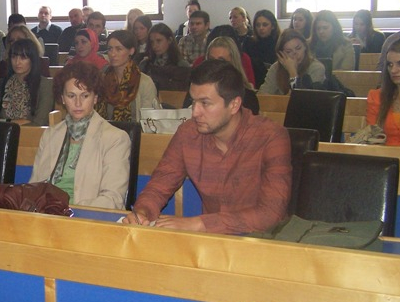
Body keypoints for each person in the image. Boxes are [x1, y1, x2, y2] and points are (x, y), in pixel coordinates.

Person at [123, 59, 291, 234]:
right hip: (212, 240)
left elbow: (271, 213)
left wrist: (199, 224)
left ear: (234, 105)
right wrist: (142, 212)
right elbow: (159, 186)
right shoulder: (188, 133)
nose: (195, 112)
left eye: (205, 103)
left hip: (265, 240)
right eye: (193, 102)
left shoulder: (271, 137)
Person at [30, 61, 130, 210]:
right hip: (47, 213)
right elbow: (34, 187)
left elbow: (112, 199)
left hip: (87, 216)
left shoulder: (115, 139)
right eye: (71, 96)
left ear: (95, 98)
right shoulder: (51, 134)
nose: (78, 103)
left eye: (85, 95)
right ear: (62, 98)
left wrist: (68, 210)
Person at [0, 38, 53, 126]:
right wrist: (13, 122)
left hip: (33, 133)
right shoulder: (2, 84)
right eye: (14, 57)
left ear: (32, 60)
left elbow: (40, 122)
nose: (17, 62)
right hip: (2, 133)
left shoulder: (45, 85)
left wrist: (5, 122)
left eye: (23, 57)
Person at [96, 29, 160, 122]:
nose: (112, 54)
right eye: (110, 49)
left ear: (131, 51)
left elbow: (149, 119)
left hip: (135, 130)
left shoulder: (144, 82)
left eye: (118, 49)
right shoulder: (102, 78)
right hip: (103, 129)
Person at [186, 37, 259, 114]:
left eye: (221, 61)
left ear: (233, 62)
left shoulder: (248, 97)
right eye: (211, 60)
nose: (215, 65)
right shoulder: (196, 90)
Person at [258, 28, 326, 95]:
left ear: (305, 46)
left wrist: (292, 72)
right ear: (281, 54)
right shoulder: (276, 68)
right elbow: (262, 95)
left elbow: (302, 98)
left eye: (298, 48)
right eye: (289, 51)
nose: (295, 53)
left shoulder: (316, 68)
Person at [138, 23, 190, 91]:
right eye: (152, 42)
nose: (155, 46)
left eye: (159, 41)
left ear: (169, 40)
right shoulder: (145, 65)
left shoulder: (181, 65)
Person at [246, 9, 281, 88]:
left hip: (275, 81)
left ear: (273, 26)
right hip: (255, 82)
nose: (261, 28)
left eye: (265, 25)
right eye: (258, 25)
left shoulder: (280, 42)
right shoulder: (249, 42)